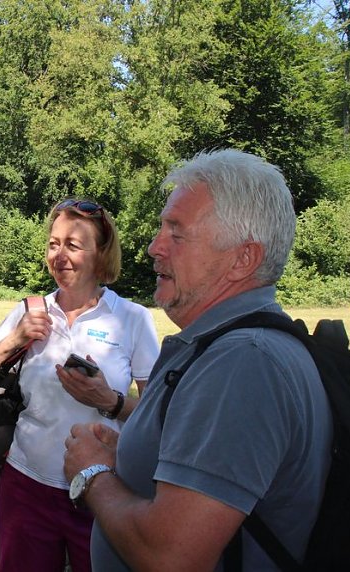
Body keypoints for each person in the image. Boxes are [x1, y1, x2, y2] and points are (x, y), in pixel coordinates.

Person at [63, 149, 333, 571]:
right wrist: (133, 460)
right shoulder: (226, 346)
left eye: (177, 232)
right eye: (161, 228)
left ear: (243, 259)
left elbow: (171, 558)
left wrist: (93, 474)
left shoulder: (244, 363)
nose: (154, 247)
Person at [0, 199, 160, 571]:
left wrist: (110, 401)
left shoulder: (132, 320)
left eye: (73, 245)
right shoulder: (31, 310)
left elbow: (159, 418)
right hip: (26, 485)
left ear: (100, 254)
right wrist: (15, 339)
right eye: (54, 244)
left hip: (101, 490)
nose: (59, 255)